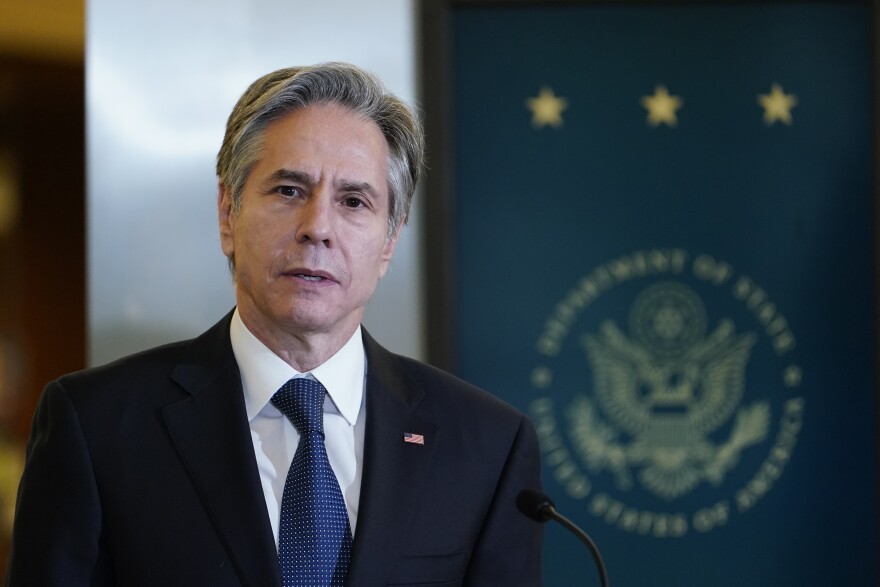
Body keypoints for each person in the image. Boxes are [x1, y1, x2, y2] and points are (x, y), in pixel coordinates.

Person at [5, 62, 543, 586]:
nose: (318, 228)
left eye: (354, 201)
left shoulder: (487, 445)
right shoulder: (96, 427)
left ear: (389, 242)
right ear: (227, 213)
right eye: (289, 191)